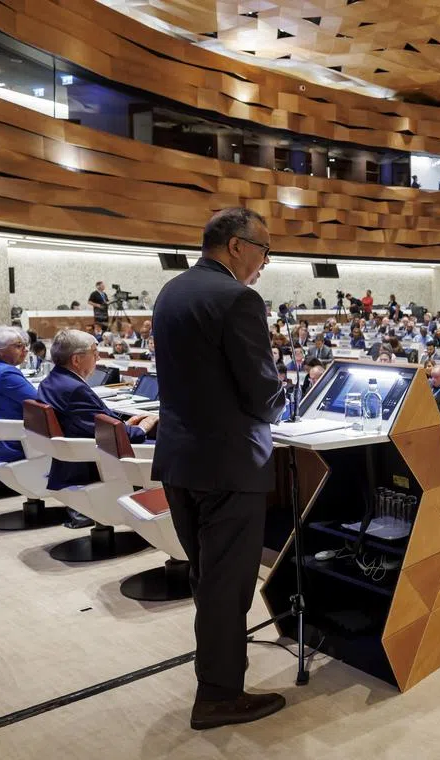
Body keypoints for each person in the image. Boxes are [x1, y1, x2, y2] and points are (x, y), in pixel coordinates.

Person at [151, 208, 287, 729]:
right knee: (228, 586)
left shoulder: (173, 292)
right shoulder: (238, 298)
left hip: (181, 460)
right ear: (236, 246)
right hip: (228, 464)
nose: (265, 263)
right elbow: (260, 390)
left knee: (207, 581)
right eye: (265, 251)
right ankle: (219, 696)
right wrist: (281, 405)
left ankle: (215, 678)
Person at [38, 330, 157, 527]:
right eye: (95, 352)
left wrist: (122, 424)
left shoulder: (52, 381)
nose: (98, 357)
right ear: (76, 359)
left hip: (70, 462)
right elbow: (109, 434)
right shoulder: (74, 389)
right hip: (93, 465)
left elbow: (87, 423)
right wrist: (142, 428)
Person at [0, 326, 38, 463]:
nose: (26, 350)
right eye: (18, 346)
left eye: (25, 345)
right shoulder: (6, 374)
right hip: (15, 444)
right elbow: (40, 403)